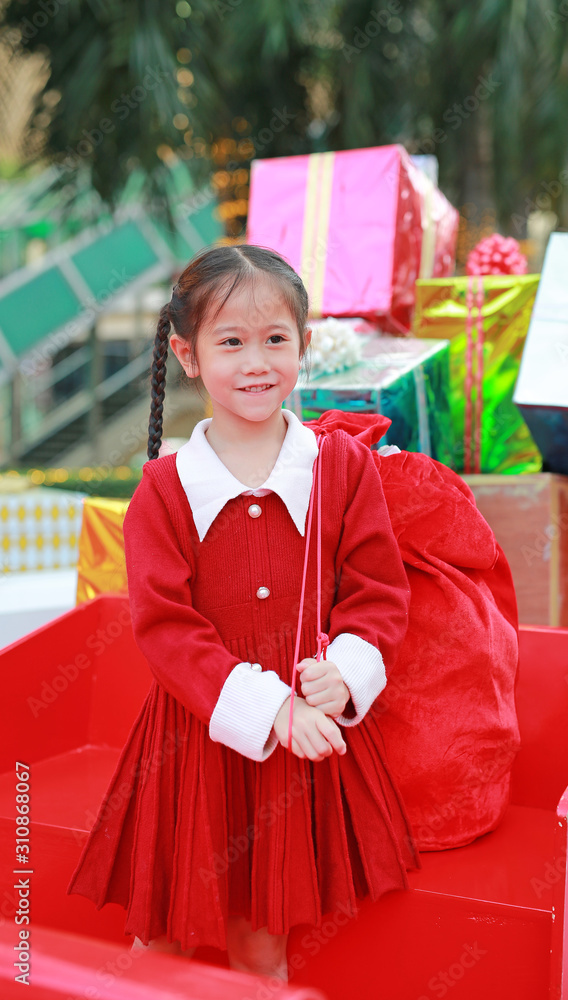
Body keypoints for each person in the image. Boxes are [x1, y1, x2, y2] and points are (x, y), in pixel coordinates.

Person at [67, 244, 420, 981]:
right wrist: (271, 710)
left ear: (304, 345)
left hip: (295, 754)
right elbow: (164, 628)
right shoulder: (165, 490)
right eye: (230, 342)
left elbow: (377, 588)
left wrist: (347, 671)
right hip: (192, 745)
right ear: (186, 354)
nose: (257, 361)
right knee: (160, 936)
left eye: (275, 339)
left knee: (262, 943)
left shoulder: (341, 467)